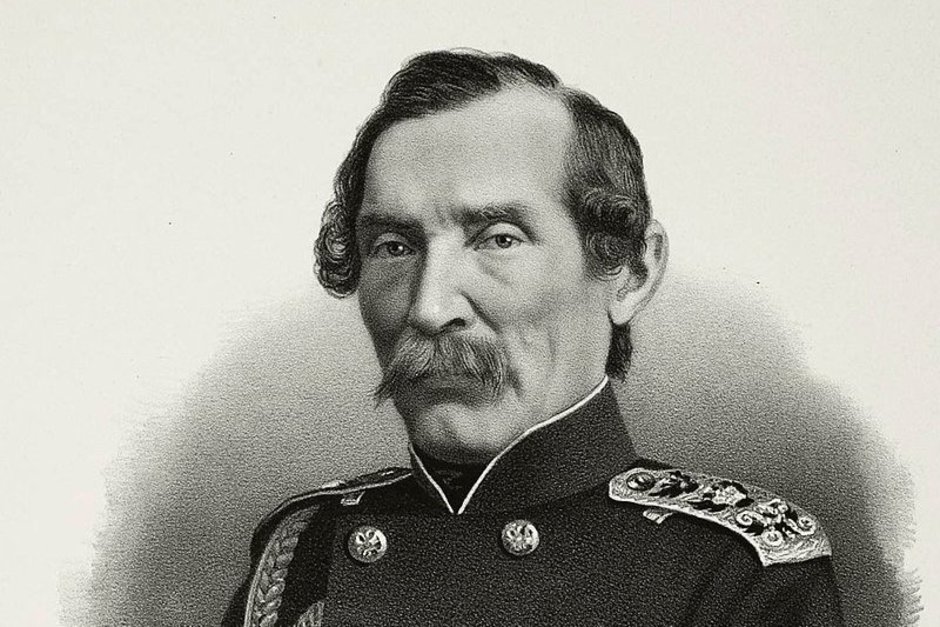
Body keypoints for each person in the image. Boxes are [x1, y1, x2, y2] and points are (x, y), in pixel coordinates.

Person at [222, 49, 843, 627]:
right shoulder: (300, 550)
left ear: (630, 273)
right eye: (393, 246)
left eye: (499, 239)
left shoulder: (734, 576)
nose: (430, 307)